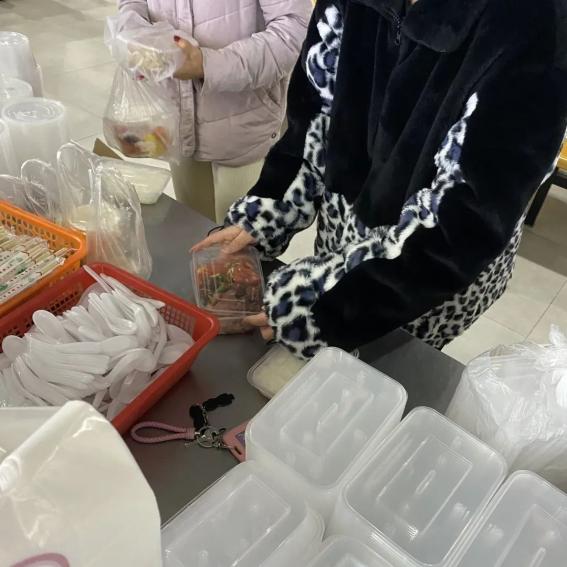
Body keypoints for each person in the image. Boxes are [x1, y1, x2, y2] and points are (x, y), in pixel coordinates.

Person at [194, 0, 567, 359]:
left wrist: (327, 306)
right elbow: (314, 112)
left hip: (426, 278)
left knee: (391, 368)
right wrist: (272, 205)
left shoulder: (536, 21)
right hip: (343, 236)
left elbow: (465, 220)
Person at [118, 0, 311, 223]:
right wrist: (133, 34)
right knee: (193, 230)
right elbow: (132, 4)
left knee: (240, 238)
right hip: (178, 124)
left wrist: (208, 64)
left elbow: (294, 30)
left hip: (244, 128)